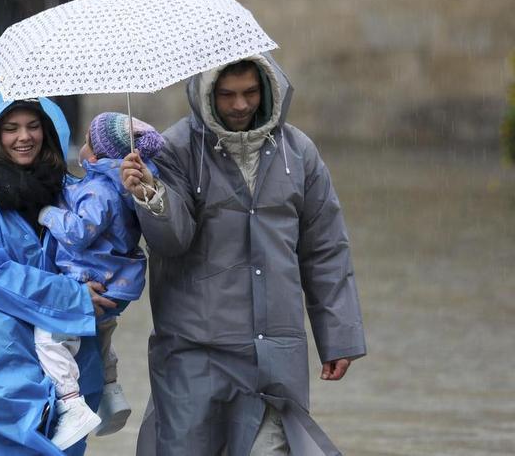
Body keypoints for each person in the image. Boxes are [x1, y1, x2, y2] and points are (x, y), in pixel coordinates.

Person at [120, 54, 367, 455]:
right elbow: (172, 241)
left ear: (268, 89)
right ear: (207, 95)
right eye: (227, 95)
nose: (240, 105)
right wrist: (151, 195)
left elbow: (325, 249)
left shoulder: (298, 153)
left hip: (274, 355)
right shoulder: (176, 149)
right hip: (194, 352)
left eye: (250, 92)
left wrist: (338, 336)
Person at [0, 76, 116, 455]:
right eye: (11, 128)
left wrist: (135, 193)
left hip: (69, 368)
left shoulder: (76, 193)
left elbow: (108, 270)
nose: (24, 137)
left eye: (34, 126)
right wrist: (70, 297)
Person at [35, 112, 164, 445]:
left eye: (89, 140)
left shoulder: (100, 190)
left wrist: (49, 214)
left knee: (48, 338)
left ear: (97, 154)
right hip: (117, 283)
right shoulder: (122, 186)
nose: (83, 146)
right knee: (103, 338)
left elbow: (80, 232)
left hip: (93, 278)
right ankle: (112, 393)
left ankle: (70, 401)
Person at [42, 0, 83, 153]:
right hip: (54, 55)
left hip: (69, 55)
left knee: (69, 99)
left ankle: (71, 136)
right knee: (56, 99)